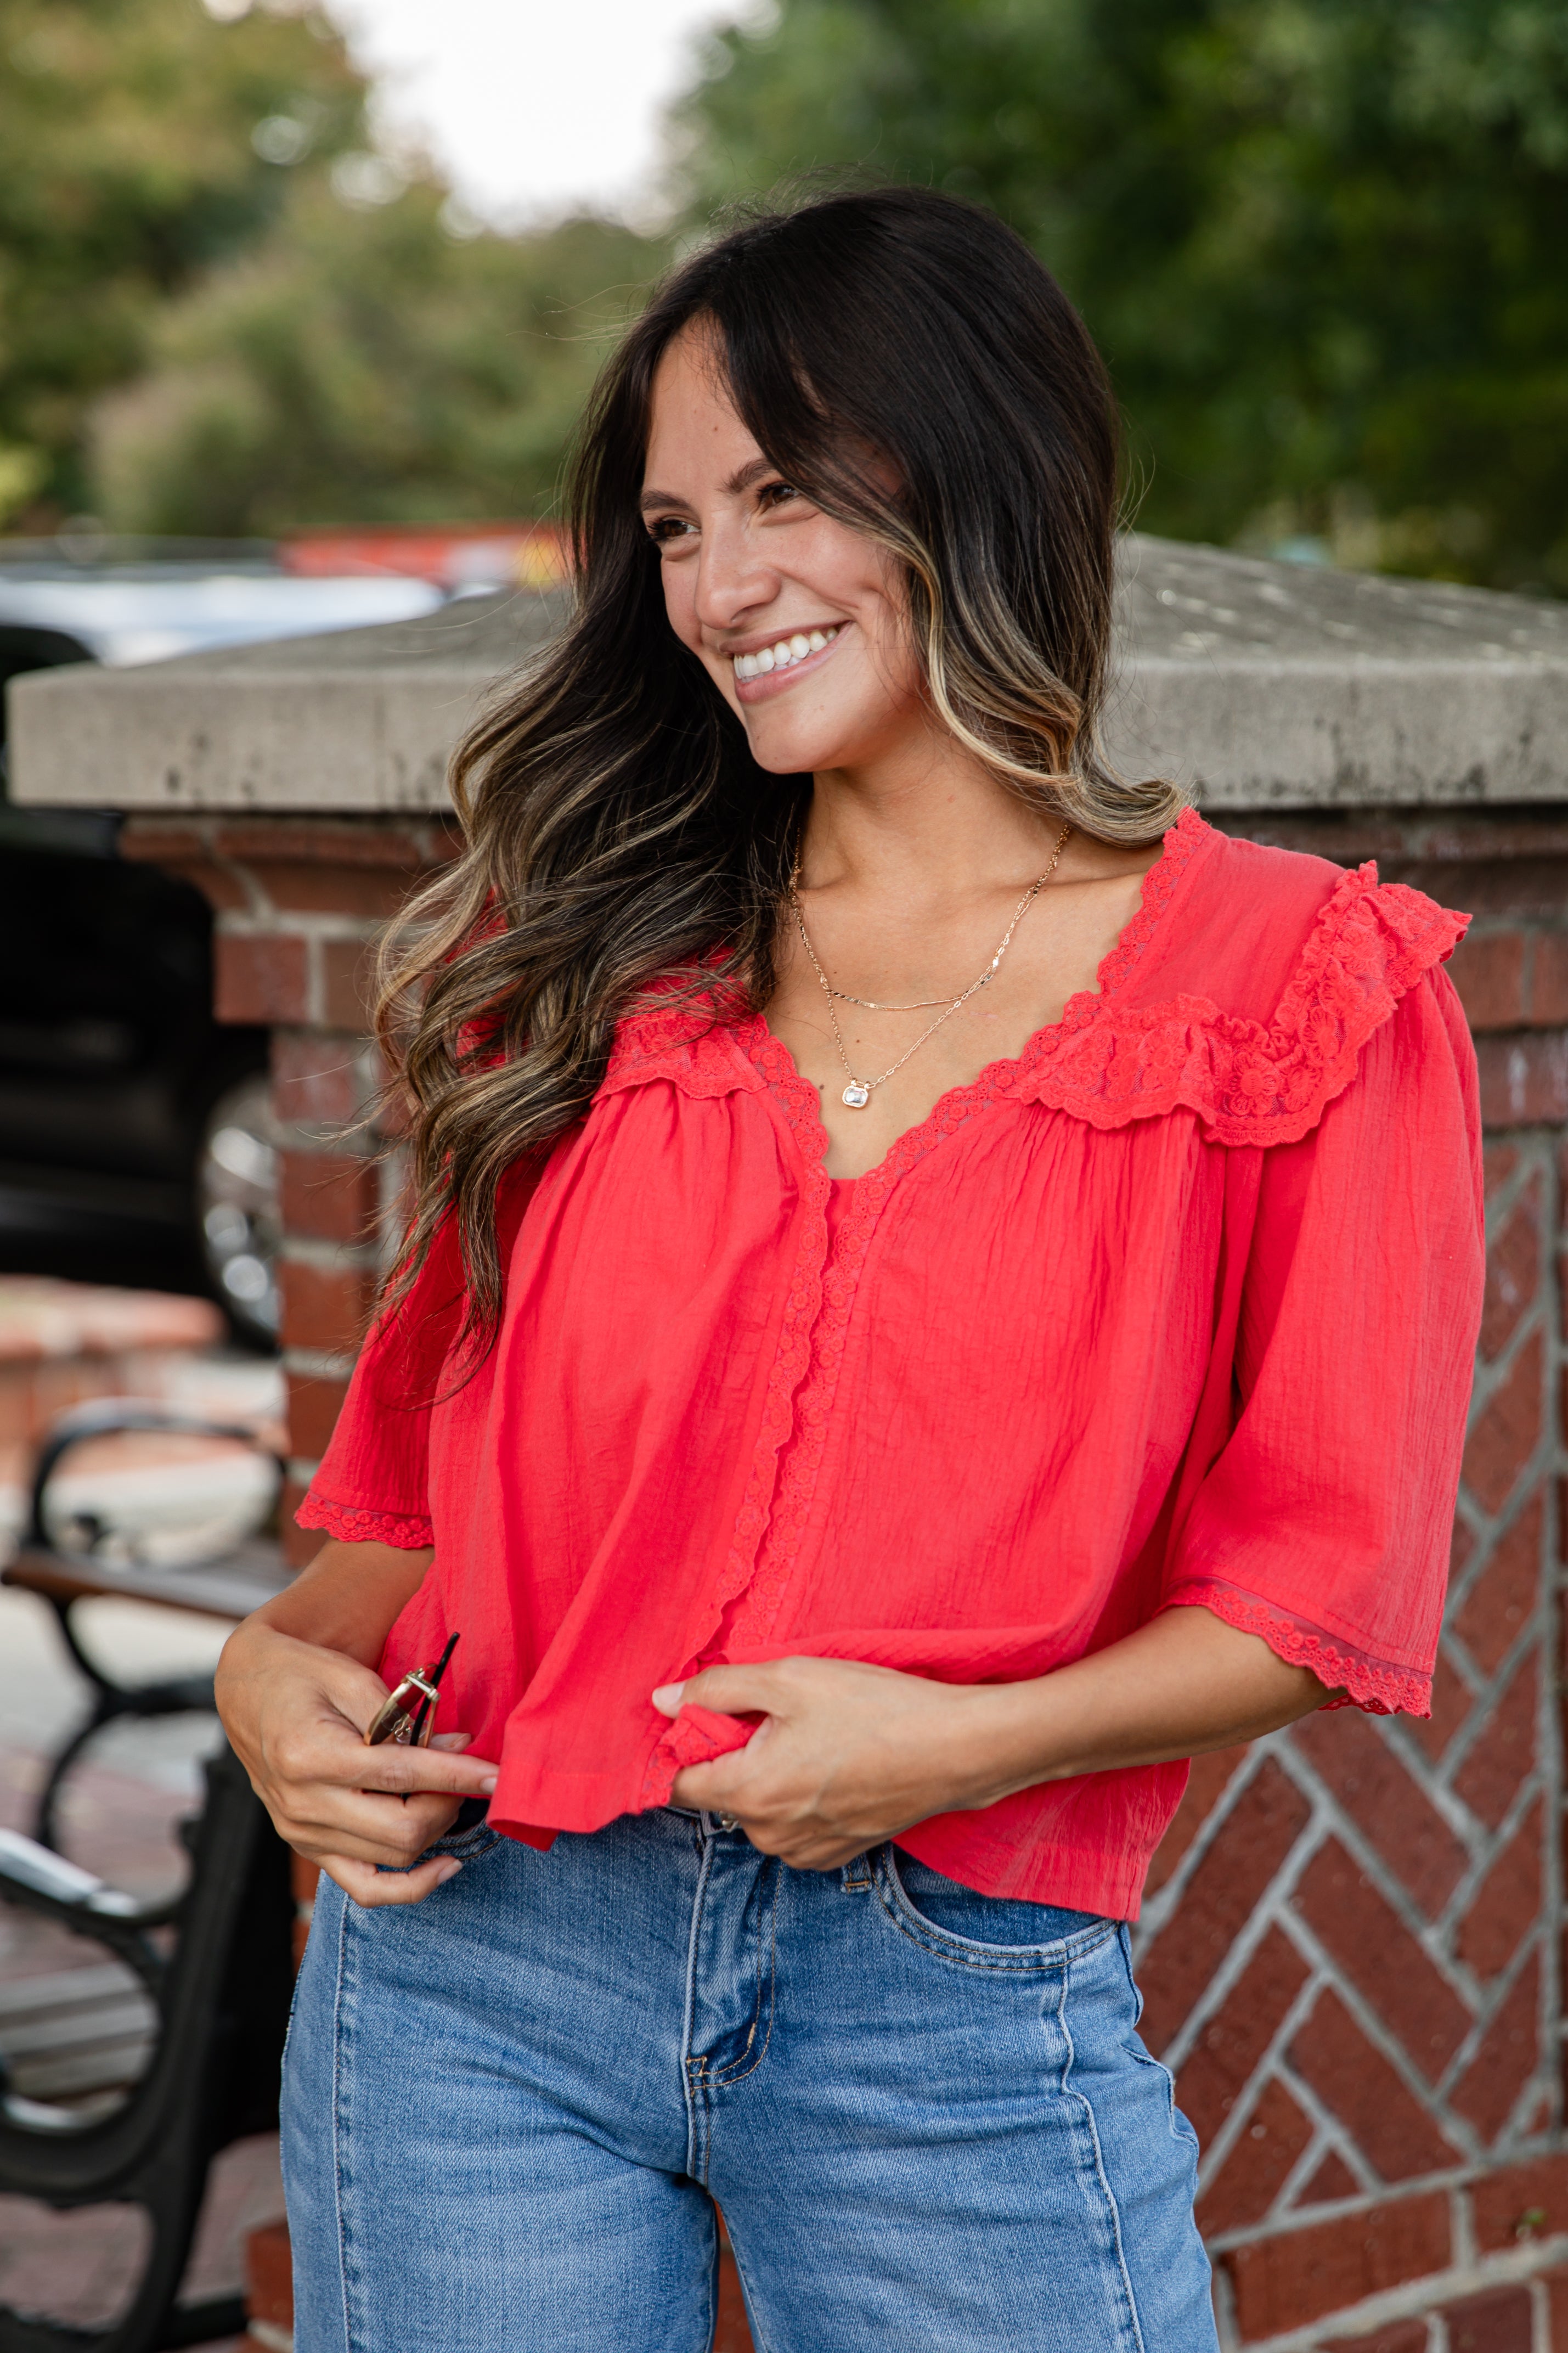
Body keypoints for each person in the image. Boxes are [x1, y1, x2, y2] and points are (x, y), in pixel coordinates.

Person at [216, 188, 1484, 2353]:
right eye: (676, 525)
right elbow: (410, 1515)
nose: (717, 586)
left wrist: (956, 1744)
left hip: (952, 2003)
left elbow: (1316, 1599)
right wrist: (265, 1683)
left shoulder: (1296, 985)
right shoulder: (597, 970)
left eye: (782, 493)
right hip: (472, 1964)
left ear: (983, 468)